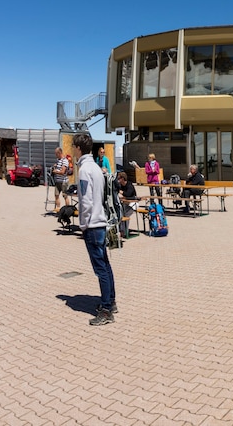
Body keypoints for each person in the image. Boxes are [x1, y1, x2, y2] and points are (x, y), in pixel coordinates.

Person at [73, 132, 116, 326]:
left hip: (92, 224)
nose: (73, 150)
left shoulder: (84, 170)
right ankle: (111, 301)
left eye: (74, 147)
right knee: (105, 265)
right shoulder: (97, 168)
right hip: (101, 221)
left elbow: (86, 200)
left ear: (78, 148)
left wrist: (83, 223)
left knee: (100, 269)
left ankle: (106, 310)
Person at [113, 171, 139, 238]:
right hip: (125, 204)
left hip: (133, 203)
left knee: (126, 215)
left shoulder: (129, 185)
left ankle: (124, 231)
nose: (118, 180)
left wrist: (120, 192)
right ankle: (120, 230)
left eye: (119, 178)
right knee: (120, 214)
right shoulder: (121, 185)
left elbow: (128, 194)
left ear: (123, 178)